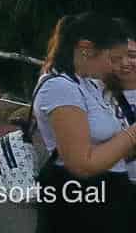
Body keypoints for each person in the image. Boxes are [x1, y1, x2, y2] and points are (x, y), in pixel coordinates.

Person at [29, 12, 136, 232]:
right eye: (113, 59)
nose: (116, 67)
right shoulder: (60, 87)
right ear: (86, 49)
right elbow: (82, 164)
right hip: (83, 204)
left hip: (107, 199)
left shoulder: (87, 84)